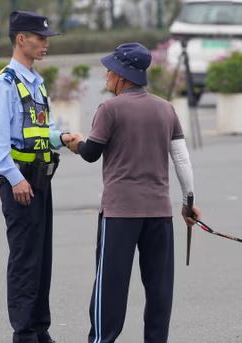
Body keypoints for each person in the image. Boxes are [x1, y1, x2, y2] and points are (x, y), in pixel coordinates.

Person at [66, 42, 202, 343]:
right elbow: (181, 159)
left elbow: (91, 153)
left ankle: (102, 340)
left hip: (120, 215)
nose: (106, 77)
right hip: (159, 214)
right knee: (159, 289)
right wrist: (188, 202)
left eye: (109, 71)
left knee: (110, 287)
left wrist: (71, 142)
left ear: (122, 76)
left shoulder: (109, 109)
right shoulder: (166, 109)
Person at [0, 10, 73, 343]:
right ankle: (24, 332)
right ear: (21, 39)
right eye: (40, 37)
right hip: (19, 183)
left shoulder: (35, 82)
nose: (45, 43)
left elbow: (38, 128)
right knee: (24, 260)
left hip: (40, 181)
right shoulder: (5, 84)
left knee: (41, 259)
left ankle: (39, 328)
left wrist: (61, 138)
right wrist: (14, 178)